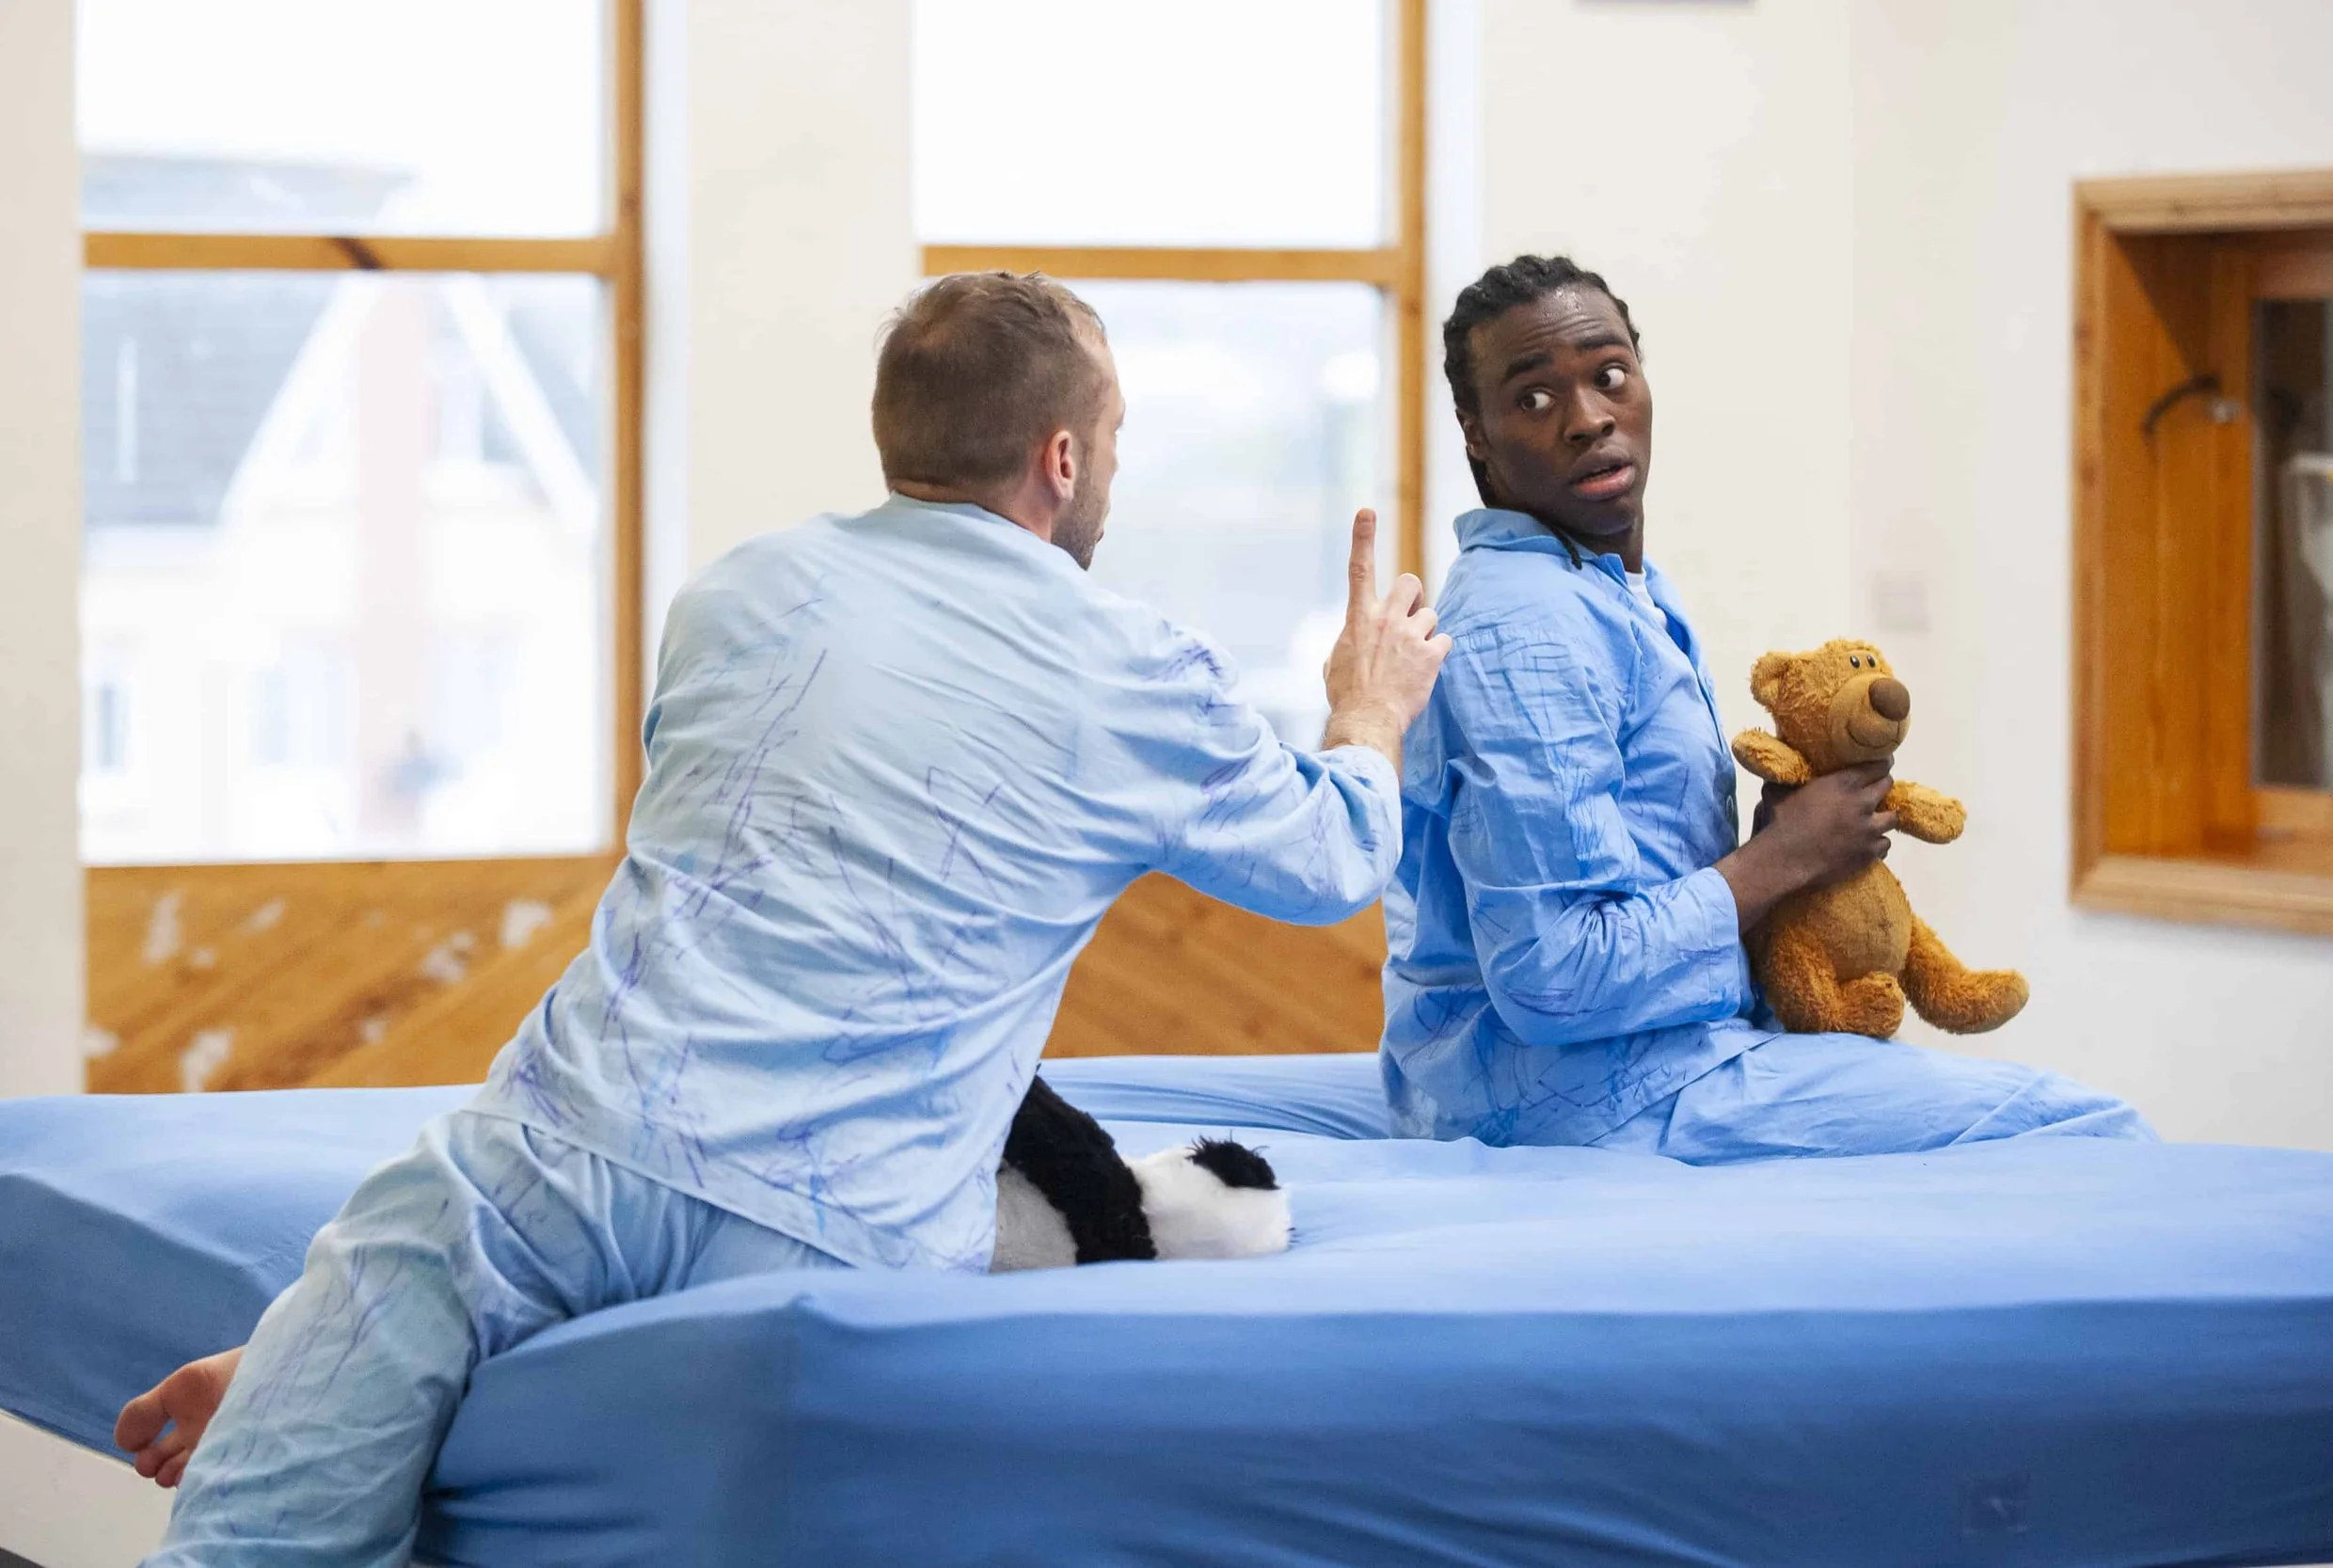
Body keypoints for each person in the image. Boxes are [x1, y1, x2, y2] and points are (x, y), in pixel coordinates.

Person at [124, 271, 1451, 1565]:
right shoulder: (1132, 666)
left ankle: (336, 1369)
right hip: (837, 1227)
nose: (1110, 464)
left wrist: (316, 1353)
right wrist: (1368, 705)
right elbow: (1330, 857)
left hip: (557, 1152)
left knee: (312, 1421)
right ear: (1062, 457)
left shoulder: (735, 592)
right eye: (1111, 437)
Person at [1382, 253, 2152, 1156]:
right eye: (1535, 398)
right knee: (2091, 1132)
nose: (1588, 417)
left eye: (1610, 375)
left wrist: (1783, 844)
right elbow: (1555, 977)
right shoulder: (1529, 629)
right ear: (1476, 433)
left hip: (1639, 1056)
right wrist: (1783, 858)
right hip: (1588, 1094)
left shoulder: (1603, 584)